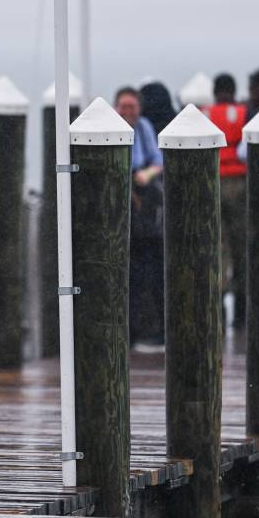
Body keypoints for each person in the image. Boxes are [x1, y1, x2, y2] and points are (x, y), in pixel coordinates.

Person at [115, 86, 164, 348]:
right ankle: (128, 333)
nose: (127, 112)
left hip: (142, 198)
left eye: (131, 107)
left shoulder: (143, 128)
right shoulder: (110, 129)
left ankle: (147, 330)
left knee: (148, 269)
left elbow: (158, 160)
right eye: (123, 106)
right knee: (128, 273)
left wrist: (147, 175)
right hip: (121, 197)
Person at [204, 73, 247, 330]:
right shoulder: (243, 113)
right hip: (239, 185)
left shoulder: (206, 113)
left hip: (216, 182)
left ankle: (218, 310)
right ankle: (240, 315)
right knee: (241, 248)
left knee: (218, 249)